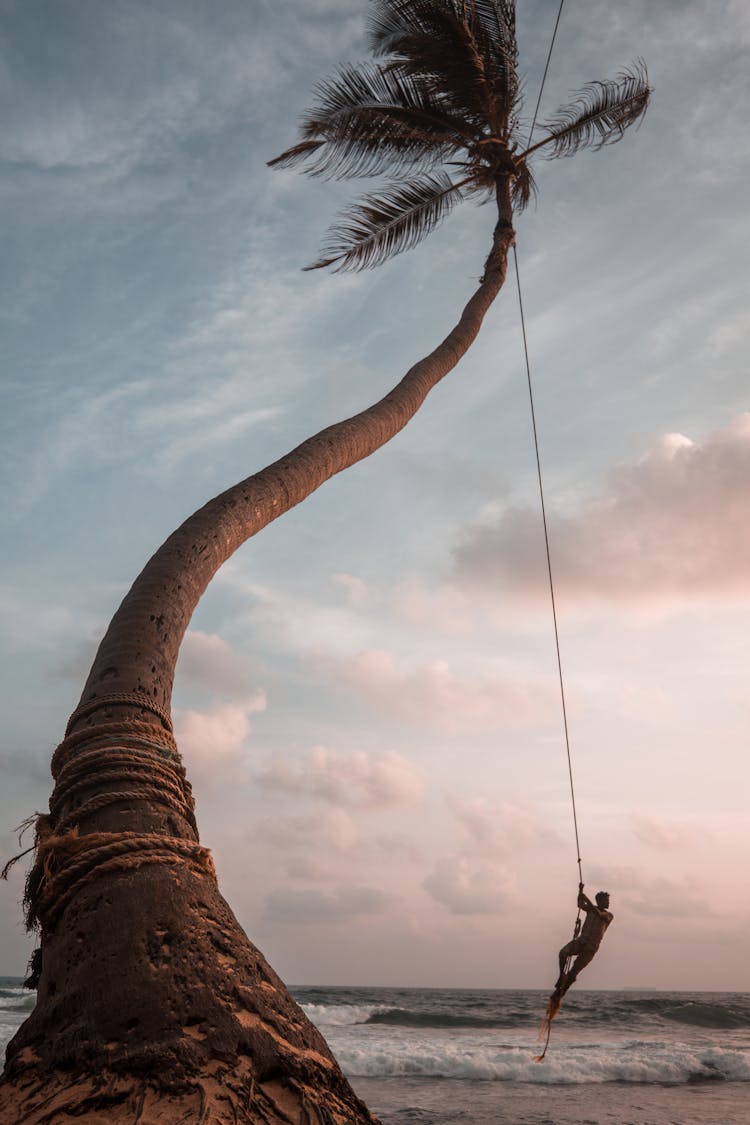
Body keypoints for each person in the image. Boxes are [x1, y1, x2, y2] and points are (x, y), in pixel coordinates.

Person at [555, 884, 613, 994]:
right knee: (563, 953)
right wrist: (580, 891)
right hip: (581, 941)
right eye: (606, 900)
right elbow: (580, 904)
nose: (608, 903)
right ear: (599, 901)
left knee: (573, 973)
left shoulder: (609, 915)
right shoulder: (591, 910)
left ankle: (561, 992)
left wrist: (586, 898)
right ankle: (561, 975)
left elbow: (599, 914)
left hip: (591, 948)